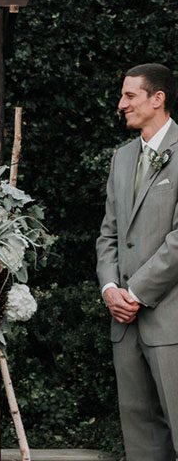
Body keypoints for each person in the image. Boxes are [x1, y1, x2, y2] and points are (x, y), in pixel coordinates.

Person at [97, 63, 178, 461]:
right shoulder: (122, 159)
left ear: (157, 98)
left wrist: (135, 292)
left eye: (130, 96)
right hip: (124, 324)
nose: (121, 104)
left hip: (170, 320)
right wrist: (111, 289)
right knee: (140, 438)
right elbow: (108, 234)